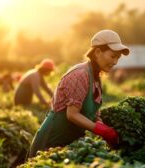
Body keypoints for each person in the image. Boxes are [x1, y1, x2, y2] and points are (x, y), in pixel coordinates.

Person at [28, 30, 130, 158]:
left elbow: (93, 114)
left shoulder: (96, 78)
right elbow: (72, 114)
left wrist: (104, 128)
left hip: (67, 143)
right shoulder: (80, 74)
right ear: (98, 52)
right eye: (112, 56)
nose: (115, 62)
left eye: (118, 58)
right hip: (50, 142)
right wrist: (101, 130)